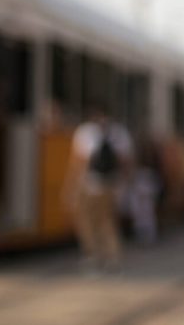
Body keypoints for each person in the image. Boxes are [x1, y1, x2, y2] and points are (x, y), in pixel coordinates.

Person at [63, 107, 133, 269]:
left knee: (86, 220)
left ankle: (93, 255)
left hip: (89, 183)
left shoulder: (85, 132)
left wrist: (71, 186)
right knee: (108, 221)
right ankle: (113, 256)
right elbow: (126, 161)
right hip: (111, 183)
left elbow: (79, 161)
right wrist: (125, 183)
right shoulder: (119, 132)